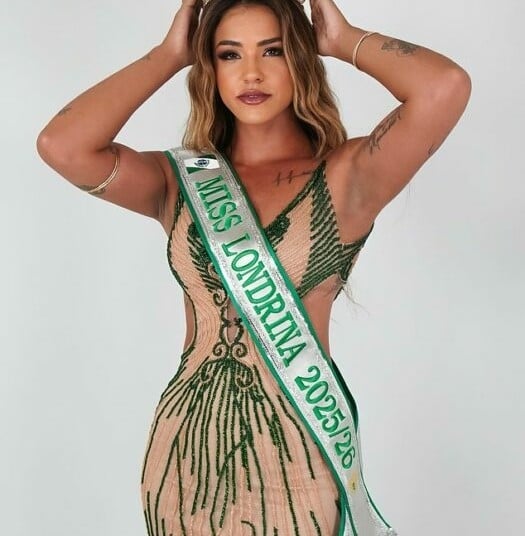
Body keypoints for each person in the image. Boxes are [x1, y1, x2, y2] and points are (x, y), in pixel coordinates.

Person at [36, 0, 471, 534]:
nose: (251, 73)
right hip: (183, 452)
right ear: (210, 67)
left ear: (300, 59)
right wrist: (169, 54)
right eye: (229, 54)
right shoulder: (179, 180)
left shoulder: (348, 177)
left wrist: (344, 39)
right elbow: (62, 145)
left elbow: (443, 87)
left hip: (297, 451)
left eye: (273, 51)